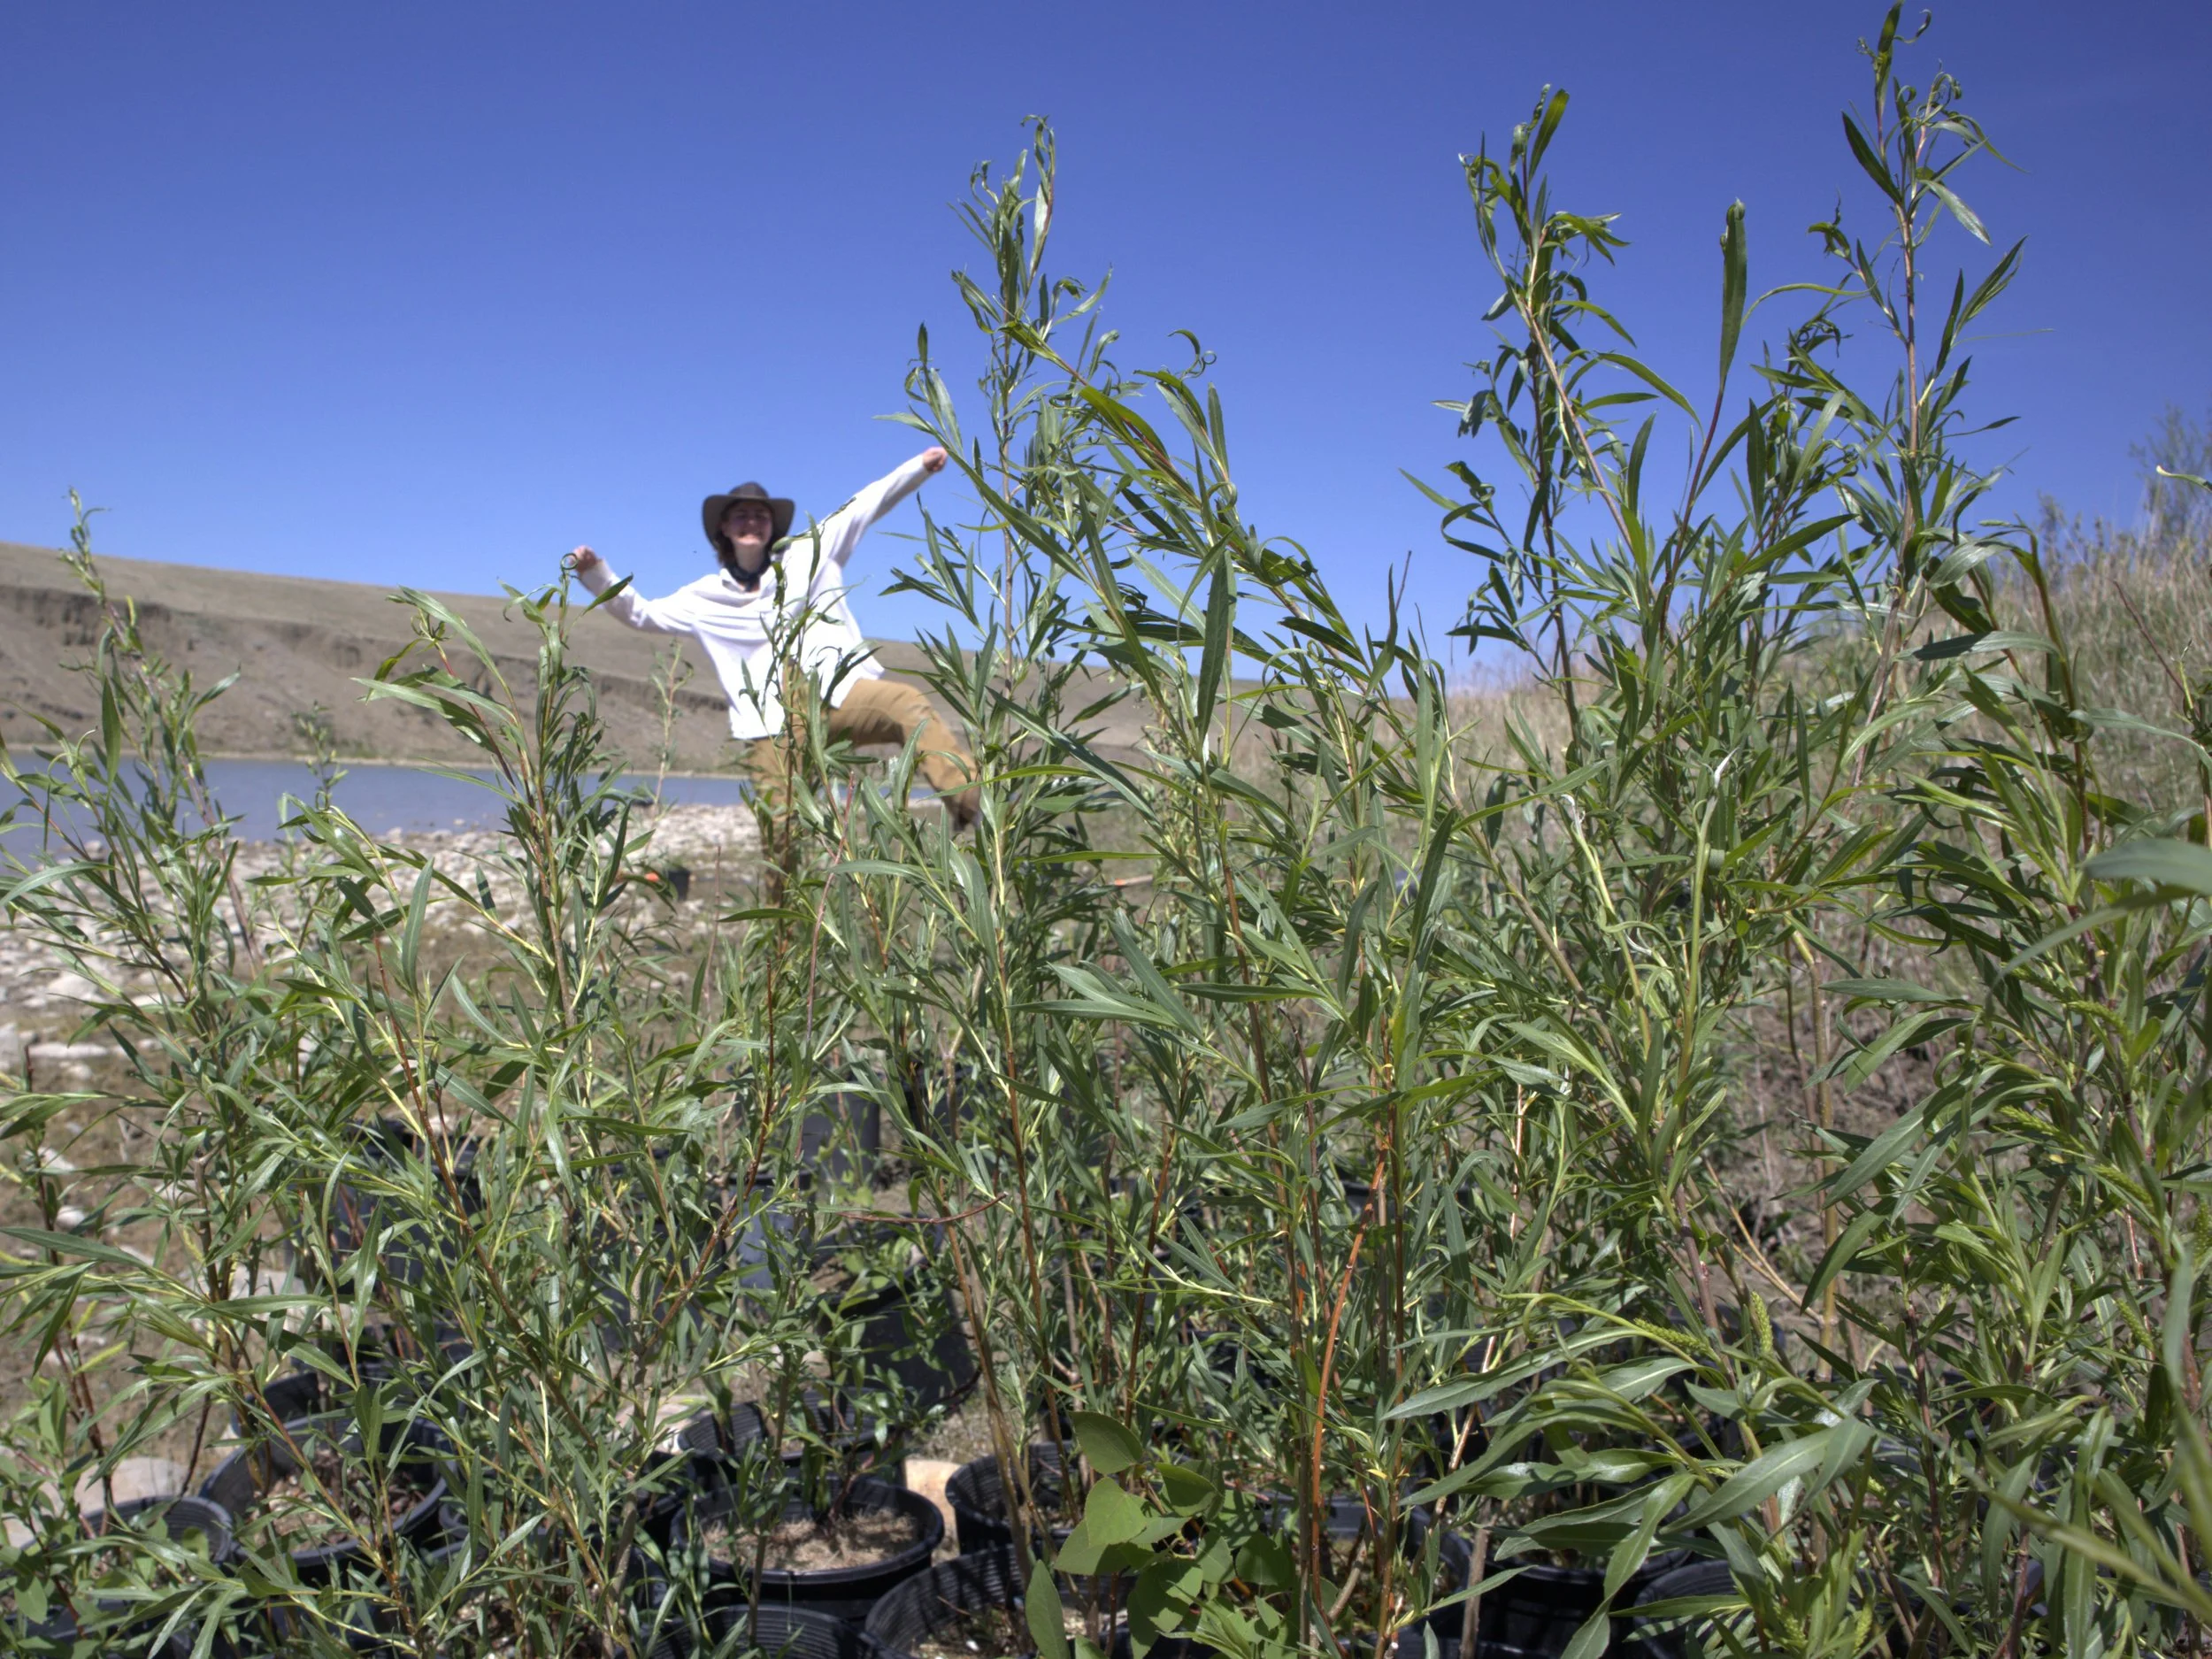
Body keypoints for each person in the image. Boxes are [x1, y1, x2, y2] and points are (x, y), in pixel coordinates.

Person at [567, 447, 977, 828]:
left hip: (833, 694)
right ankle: (785, 897)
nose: (751, 521)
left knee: (908, 705)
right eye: (741, 515)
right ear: (724, 528)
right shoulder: (705, 596)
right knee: (779, 828)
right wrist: (595, 573)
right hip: (771, 722)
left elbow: (864, 505)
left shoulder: (809, 553)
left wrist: (918, 467)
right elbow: (641, 613)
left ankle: (976, 812)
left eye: (760, 515)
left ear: (772, 526)